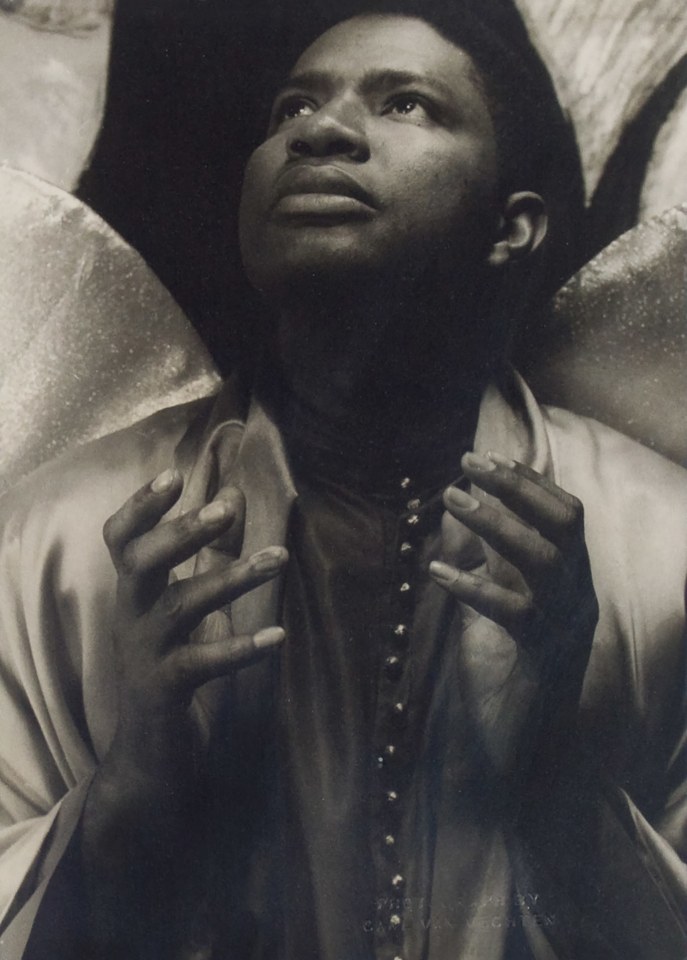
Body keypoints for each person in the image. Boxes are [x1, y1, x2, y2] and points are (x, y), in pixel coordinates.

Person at [1, 3, 686, 958]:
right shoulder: (53, 544)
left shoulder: (663, 546)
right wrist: (132, 794)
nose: (317, 130)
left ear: (512, 226)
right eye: (289, 109)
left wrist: (558, 778)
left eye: (405, 105)